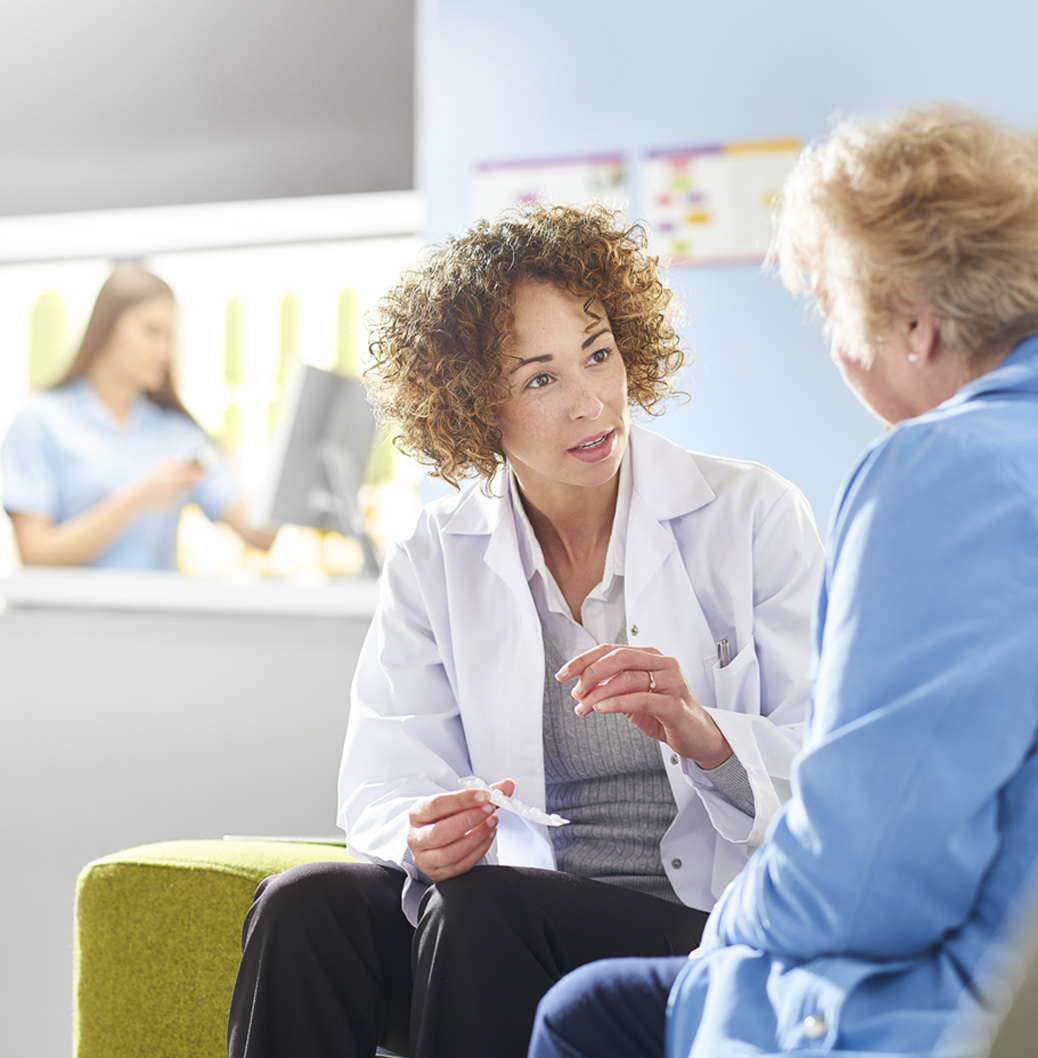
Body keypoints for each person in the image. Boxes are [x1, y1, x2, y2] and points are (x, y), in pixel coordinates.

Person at [226, 202, 824, 1058]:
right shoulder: (437, 552)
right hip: (489, 926)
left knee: (483, 908)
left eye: (599, 354)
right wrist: (423, 832)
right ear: (474, 405)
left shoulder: (753, 515)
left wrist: (705, 734)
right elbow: (386, 776)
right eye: (541, 379)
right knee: (305, 905)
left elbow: (827, 770)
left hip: (693, 927)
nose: (592, 403)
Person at [528, 106, 1038, 1058]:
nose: (836, 348)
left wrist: (727, 934)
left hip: (960, 998)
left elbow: (869, 862)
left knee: (586, 1014)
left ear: (915, 326)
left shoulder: (943, 469)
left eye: (836, 312)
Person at [0, 264, 275, 569]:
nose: (164, 351)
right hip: (70, 603)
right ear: (107, 329)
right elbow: (34, 555)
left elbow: (259, 535)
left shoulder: (179, 433)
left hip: (159, 602)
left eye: (170, 336)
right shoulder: (41, 422)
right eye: (151, 331)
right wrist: (135, 500)